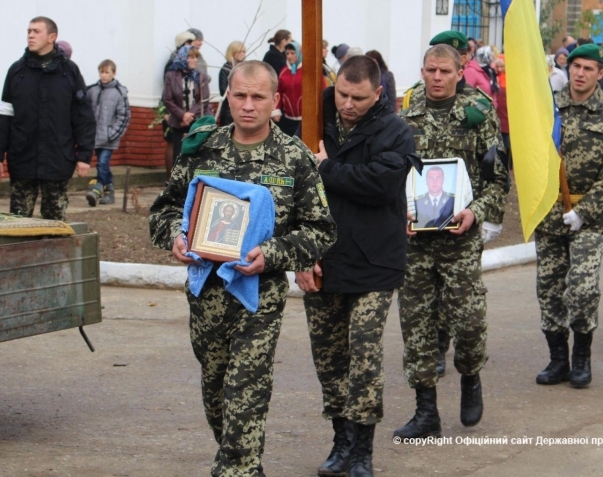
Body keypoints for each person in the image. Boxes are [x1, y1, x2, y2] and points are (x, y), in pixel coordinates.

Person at [149, 60, 336, 477]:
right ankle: (241, 459)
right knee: (216, 390)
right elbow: (164, 210)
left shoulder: (294, 158)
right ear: (227, 96)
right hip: (206, 294)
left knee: (245, 391)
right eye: (240, 95)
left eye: (258, 97)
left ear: (275, 102)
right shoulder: (202, 149)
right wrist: (176, 239)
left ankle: (239, 469)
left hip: (258, 298)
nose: (248, 105)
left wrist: (272, 253)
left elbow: (320, 231)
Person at [298, 55, 415, 477]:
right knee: (329, 359)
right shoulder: (315, 121)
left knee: (364, 352)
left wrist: (326, 167)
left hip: (375, 261)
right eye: (343, 94)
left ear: (378, 93)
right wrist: (301, 256)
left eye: (359, 98)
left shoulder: (396, 131)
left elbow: (380, 185)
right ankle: (341, 441)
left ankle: (363, 451)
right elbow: (296, 188)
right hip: (324, 259)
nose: (348, 104)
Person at [395, 43, 508, 438]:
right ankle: (426, 412)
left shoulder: (477, 114)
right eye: (430, 70)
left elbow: (498, 180)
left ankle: (471, 376)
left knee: (469, 322)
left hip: (460, 240)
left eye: (445, 71)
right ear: (422, 71)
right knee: (417, 326)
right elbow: (391, 175)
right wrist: (399, 211)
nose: (437, 78)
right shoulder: (405, 114)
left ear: (461, 72)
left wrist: (477, 211)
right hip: (416, 243)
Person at [533, 44, 603, 389]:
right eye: (575, 66)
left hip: (588, 216)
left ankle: (582, 357)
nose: (580, 73)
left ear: (601, 73)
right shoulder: (548, 108)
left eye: (589, 68)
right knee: (549, 287)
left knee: (583, 288)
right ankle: (558, 358)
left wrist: (584, 211)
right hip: (550, 214)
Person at [0, 17, 95, 220]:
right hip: (23, 159)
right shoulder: (16, 71)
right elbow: (4, 116)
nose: (30, 35)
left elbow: (83, 116)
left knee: (55, 223)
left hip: (57, 160)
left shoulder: (70, 72)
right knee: (18, 221)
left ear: (52, 37)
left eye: (36, 31)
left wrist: (84, 155)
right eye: (29, 31)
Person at [84, 59, 130, 206]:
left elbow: (124, 116)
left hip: (109, 138)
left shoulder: (119, 93)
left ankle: (97, 189)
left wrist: (112, 134)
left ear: (113, 73)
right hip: (96, 136)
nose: (103, 76)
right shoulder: (93, 90)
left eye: (107, 72)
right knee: (102, 165)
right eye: (101, 72)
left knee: (102, 163)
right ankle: (109, 192)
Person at [163, 45, 211, 164]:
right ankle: (178, 182)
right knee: (178, 156)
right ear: (183, 58)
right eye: (191, 57)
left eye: (196, 57)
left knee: (196, 155)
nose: (195, 60)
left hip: (197, 121)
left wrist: (190, 115)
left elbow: (204, 99)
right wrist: (182, 115)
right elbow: (167, 99)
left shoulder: (201, 77)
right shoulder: (171, 76)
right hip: (178, 122)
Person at [276, 41, 303, 137]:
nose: (289, 56)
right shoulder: (283, 71)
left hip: (306, 121)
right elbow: (278, 92)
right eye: (287, 53)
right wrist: (276, 109)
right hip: (288, 121)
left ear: (299, 53)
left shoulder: (309, 71)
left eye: (292, 53)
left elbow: (322, 92)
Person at [219, 41, 247, 127]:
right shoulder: (226, 69)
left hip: (244, 107)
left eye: (244, 51)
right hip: (229, 109)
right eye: (239, 51)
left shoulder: (246, 68)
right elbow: (223, 90)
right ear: (232, 52)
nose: (242, 54)